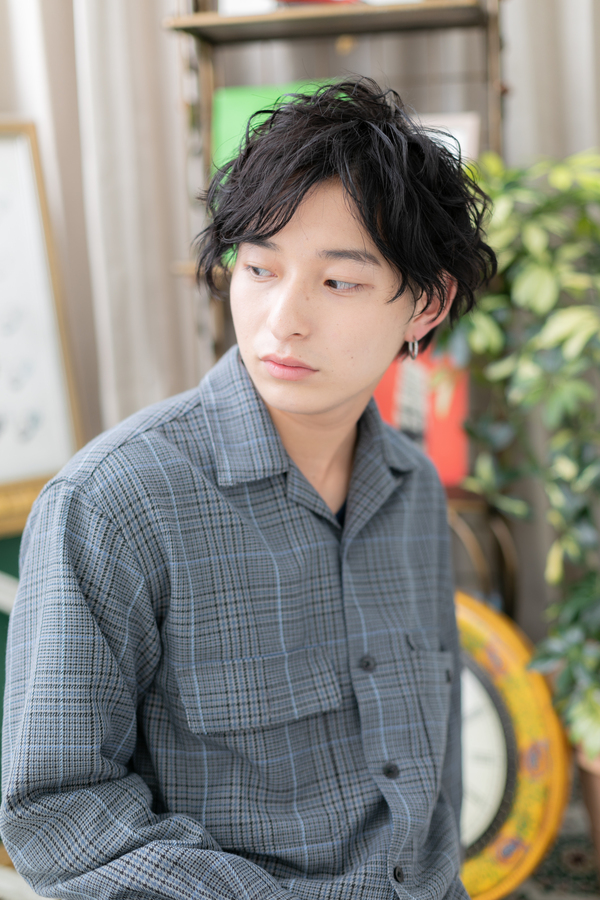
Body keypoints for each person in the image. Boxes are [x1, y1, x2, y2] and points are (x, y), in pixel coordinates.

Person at [0, 78, 495, 900]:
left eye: (338, 283)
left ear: (426, 304)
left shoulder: (413, 491)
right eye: (260, 268)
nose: (282, 320)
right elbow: (58, 816)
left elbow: (427, 782)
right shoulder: (111, 504)